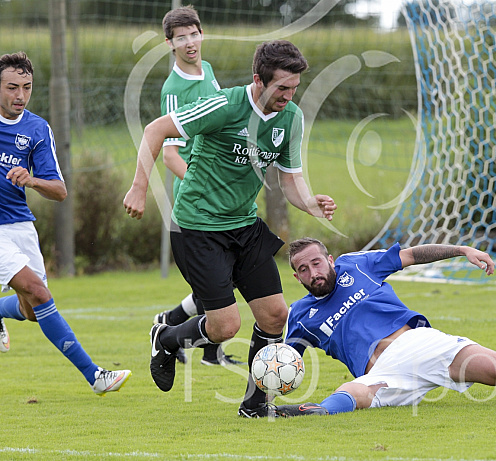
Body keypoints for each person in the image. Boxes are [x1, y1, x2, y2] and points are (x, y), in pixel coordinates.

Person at [123, 40, 336, 417]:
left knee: (274, 315)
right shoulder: (225, 104)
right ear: (258, 79)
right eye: (281, 88)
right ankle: (168, 338)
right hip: (197, 227)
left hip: (245, 224)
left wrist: (310, 202)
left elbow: (290, 180)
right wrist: (140, 186)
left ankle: (255, 405)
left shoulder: (291, 119)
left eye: (294, 88)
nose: (288, 96)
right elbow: (156, 130)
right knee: (224, 326)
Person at [267, 238, 496, 417]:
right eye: (304, 270)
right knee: (350, 395)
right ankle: (316, 411)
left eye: (317, 263)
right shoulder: (302, 316)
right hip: (384, 372)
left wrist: (462, 250)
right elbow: (280, 364)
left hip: (421, 343)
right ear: (297, 277)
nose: (313, 273)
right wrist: (261, 398)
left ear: (329, 260)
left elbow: (411, 255)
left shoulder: (356, 266)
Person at [0, 51, 131, 395]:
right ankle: (96, 376)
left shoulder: (37, 128)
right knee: (39, 292)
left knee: (32, 309)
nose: (20, 96)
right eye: (12, 87)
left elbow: (59, 191)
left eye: (26, 87)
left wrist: (31, 180)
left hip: (20, 227)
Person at [150, 5, 242, 368]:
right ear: (169, 43)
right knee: (222, 276)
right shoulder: (173, 88)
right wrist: (203, 182)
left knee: (228, 272)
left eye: (194, 34)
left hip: (223, 189)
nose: (190, 43)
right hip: (199, 196)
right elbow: (169, 154)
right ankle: (176, 329)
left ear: (202, 34)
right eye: (181, 37)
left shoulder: (209, 71)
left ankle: (189, 335)